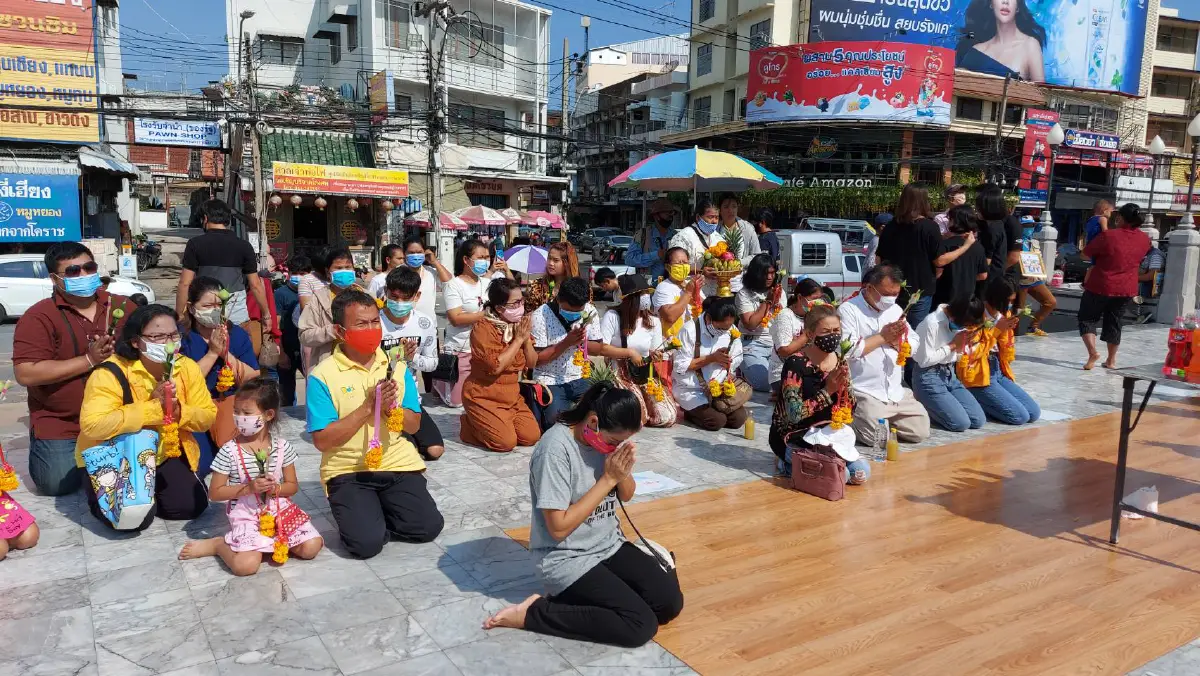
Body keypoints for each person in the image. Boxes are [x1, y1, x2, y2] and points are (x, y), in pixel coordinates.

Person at [483, 383, 683, 647]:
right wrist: (607, 479)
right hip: (567, 557)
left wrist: (619, 470)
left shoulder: (604, 444)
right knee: (639, 625)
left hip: (608, 544)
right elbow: (558, 528)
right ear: (593, 422)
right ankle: (535, 613)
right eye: (614, 440)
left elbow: (627, 494)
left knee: (669, 603)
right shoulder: (554, 450)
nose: (615, 446)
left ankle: (602, 592)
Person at [306, 290, 442, 559]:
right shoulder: (322, 376)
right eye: (361, 324)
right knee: (365, 546)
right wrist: (368, 408)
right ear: (340, 331)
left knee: (428, 528)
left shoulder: (397, 366)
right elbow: (323, 441)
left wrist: (392, 409)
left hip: (396, 462)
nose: (371, 329)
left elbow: (414, 426)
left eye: (374, 321)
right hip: (349, 468)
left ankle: (378, 511)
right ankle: (364, 514)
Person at [13, 242, 137, 496]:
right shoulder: (39, 317)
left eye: (88, 268)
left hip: (119, 414)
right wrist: (89, 360)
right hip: (65, 421)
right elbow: (26, 373)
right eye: (72, 271)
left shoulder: (122, 307)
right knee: (58, 483)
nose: (83, 275)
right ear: (54, 279)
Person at [78, 305, 218, 524]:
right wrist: (154, 408)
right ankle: (96, 495)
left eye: (173, 335)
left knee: (189, 507)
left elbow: (207, 416)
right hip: (118, 455)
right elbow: (93, 424)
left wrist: (181, 412)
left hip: (162, 452)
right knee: (134, 520)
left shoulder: (187, 367)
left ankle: (150, 490)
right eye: (158, 336)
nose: (168, 342)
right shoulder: (109, 372)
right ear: (136, 341)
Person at [178, 377, 323, 574]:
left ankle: (269, 543)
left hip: (278, 509)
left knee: (311, 547)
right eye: (236, 412)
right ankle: (219, 545)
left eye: (246, 413)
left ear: (268, 414)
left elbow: (292, 485)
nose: (239, 417)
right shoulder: (229, 451)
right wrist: (248, 489)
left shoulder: (281, 447)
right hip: (246, 513)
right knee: (245, 566)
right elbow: (215, 492)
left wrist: (277, 488)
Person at [770, 304, 868, 484]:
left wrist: (844, 389)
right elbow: (794, 415)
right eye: (826, 331)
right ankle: (786, 464)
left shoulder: (839, 360)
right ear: (810, 333)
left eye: (836, 330)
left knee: (861, 473)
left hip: (828, 436)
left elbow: (851, 408)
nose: (833, 336)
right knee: (840, 476)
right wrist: (828, 391)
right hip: (795, 437)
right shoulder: (796, 364)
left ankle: (816, 466)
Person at [839, 265, 931, 446]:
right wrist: (882, 337)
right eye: (886, 294)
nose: (890, 299)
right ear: (869, 288)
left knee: (920, 432)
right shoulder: (848, 309)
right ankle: (854, 418)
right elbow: (848, 350)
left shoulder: (895, 310)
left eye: (895, 294)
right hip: (865, 390)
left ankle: (882, 422)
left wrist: (895, 342)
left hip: (895, 392)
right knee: (878, 440)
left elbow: (914, 343)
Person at [179, 277, 261, 476]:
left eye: (219, 305)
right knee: (201, 463)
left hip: (229, 404)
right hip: (195, 407)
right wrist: (213, 353)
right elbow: (184, 381)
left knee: (237, 463)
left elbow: (252, 375)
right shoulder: (181, 336)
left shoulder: (236, 334)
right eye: (207, 305)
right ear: (191, 308)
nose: (214, 310)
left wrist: (226, 354)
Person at [529, 277, 623, 430]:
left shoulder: (589, 311)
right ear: (559, 299)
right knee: (556, 423)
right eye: (569, 310)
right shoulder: (540, 316)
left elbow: (597, 349)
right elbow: (537, 360)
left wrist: (581, 340)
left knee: (607, 411)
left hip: (580, 376)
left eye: (578, 311)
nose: (574, 314)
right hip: (551, 379)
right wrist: (566, 342)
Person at [460, 278, 542, 452]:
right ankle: (470, 425)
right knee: (505, 443)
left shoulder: (518, 326)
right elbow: (495, 366)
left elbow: (533, 362)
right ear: (499, 308)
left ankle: (497, 422)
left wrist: (525, 340)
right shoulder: (483, 328)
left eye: (522, 301)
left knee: (531, 437)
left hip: (511, 396)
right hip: (484, 395)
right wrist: (518, 339)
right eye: (515, 303)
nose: (520, 306)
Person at [876, 184, 974, 329]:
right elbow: (940, 260)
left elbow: (879, 259)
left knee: (891, 329)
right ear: (924, 201)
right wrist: (965, 246)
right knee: (915, 332)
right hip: (919, 290)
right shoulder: (929, 226)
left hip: (892, 287)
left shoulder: (890, 226)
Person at [176, 199, 273, 339]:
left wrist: (180, 314)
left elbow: (185, 283)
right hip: (236, 307)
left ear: (205, 218)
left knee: (206, 349)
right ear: (227, 220)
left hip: (205, 307)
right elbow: (255, 285)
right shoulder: (244, 246)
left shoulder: (195, 244)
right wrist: (266, 315)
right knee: (239, 348)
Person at [380, 267, 444, 460]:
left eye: (406, 298)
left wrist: (411, 359)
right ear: (386, 292)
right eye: (394, 296)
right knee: (407, 453)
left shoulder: (424, 323)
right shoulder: (375, 321)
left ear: (417, 296)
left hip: (409, 397)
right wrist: (397, 356)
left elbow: (432, 364)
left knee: (435, 450)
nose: (399, 303)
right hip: (382, 397)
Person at [1079, 203, 1151, 370]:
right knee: (1114, 322)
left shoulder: (1109, 236)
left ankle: (1092, 353)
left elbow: (1085, 253)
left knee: (1087, 319)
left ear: (1121, 218)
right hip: (1126, 288)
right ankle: (1111, 360)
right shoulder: (1144, 239)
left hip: (1101, 284)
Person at [600, 274, 678, 427]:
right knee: (637, 419)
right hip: (620, 372)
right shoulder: (613, 316)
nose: (646, 297)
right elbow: (602, 348)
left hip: (644, 373)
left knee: (666, 417)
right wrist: (629, 353)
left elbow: (655, 350)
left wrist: (655, 354)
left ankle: (640, 407)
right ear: (630, 298)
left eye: (647, 293)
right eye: (642, 294)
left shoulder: (653, 320)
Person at [964, 277, 1041, 424]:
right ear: (997, 298)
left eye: (1012, 301)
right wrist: (997, 330)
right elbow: (971, 352)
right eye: (1008, 301)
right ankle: (975, 399)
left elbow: (1006, 349)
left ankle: (991, 402)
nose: (1010, 305)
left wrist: (1007, 331)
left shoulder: (1004, 314)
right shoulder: (976, 314)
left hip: (997, 369)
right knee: (1019, 417)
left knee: (1033, 412)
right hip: (979, 372)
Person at [911, 295, 988, 433]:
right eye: (965, 325)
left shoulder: (958, 321)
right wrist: (952, 345)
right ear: (957, 317)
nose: (965, 328)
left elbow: (956, 354)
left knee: (978, 420)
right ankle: (926, 405)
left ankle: (940, 406)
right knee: (960, 423)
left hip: (949, 374)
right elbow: (923, 361)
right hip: (929, 376)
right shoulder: (931, 323)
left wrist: (964, 346)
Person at [673, 296, 748, 431]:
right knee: (717, 421)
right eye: (721, 328)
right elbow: (680, 366)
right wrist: (712, 358)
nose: (724, 331)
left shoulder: (731, 330)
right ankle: (690, 413)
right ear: (708, 319)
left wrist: (729, 364)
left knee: (738, 419)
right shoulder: (690, 330)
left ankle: (710, 411)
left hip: (719, 389)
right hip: (693, 389)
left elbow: (738, 357)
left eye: (728, 327)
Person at [436, 239, 493, 408]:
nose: (485, 261)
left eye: (487, 257)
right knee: (455, 403)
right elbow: (456, 318)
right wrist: (486, 314)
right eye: (480, 257)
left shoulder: (487, 283)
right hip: (460, 349)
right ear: (466, 260)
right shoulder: (454, 285)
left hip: (484, 349)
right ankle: (440, 386)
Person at [298, 248, 361, 372]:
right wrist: (331, 331)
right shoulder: (318, 299)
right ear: (328, 272)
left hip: (359, 364)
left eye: (348, 267)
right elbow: (304, 335)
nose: (344, 271)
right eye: (338, 268)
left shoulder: (365, 296)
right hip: (328, 366)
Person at [955, 0, 1046, 81]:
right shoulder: (975, 51)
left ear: (1018, 7)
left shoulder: (1030, 46)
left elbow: (1040, 96)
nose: (1005, 2)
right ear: (991, 4)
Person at [768, 277, 831, 394]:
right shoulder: (785, 316)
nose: (818, 303)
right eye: (814, 299)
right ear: (800, 298)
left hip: (811, 370)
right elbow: (784, 351)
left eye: (820, 299)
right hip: (784, 373)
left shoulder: (814, 315)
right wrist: (809, 331)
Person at [735, 253, 784, 392]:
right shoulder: (744, 294)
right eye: (765, 274)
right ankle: (743, 372)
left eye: (772, 273)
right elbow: (750, 325)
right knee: (766, 384)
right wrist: (767, 302)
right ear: (755, 274)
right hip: (752, 345)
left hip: (776, 346)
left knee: (790, 380)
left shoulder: (780, 292)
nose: (769, 278)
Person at [934, 204, 989, 307]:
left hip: (944, 297)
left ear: (955, 222)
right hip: (967, 298)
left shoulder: (945, 245)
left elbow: (938, 273)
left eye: (950, 219)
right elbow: (983, 275)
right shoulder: (978, 247)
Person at [274, 255, 310, 405]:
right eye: (296, 273)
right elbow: (276, 325)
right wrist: (281, 353)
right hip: (287, 348)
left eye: (303, 274)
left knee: (315, 388)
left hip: (308, 349)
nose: (299, 277)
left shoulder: (313, 293)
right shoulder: (280, 294)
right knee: (286, 395)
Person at [976, 183, 1023, 287]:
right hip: (992, 276)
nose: (976, 208)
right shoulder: (988, 223)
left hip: (1004, 276)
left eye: (979, 203)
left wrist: (997, 272)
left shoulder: (1009, 223)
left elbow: (1013, 257)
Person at [652, 247, 702, 338]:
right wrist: (688, 293)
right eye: (678, 263)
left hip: (693, 342)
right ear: (668, 267)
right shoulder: (663, 287)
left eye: (685, 262)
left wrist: (697, 292)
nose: (682, 266)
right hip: (672, 345)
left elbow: (704, 310)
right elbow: (670, 317)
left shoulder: (690, 284)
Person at [624, 198, 678, 279]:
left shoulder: (677, 236)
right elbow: (629, 259)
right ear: (656, 216)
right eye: (667, 212)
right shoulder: (642, 235)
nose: (670, 216)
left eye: (672, 213)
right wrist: (656, 255)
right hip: (649, 287)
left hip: (671, 286)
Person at [525, 241, 581, 312]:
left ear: (567, 263)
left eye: (556, 260)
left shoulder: (580, 287)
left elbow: (589, 314)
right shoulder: (538, 285)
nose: (550, 263)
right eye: (549, 258)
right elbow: (528, 312)